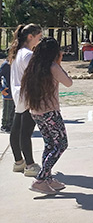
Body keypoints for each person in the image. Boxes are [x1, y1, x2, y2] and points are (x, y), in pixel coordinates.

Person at [21, 37, 73, 195]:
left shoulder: (33, 66)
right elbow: (68, 82)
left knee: (50, 144)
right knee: (61, 144)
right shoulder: (52, 67)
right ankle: (41, 179)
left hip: (36, 111)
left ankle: (48, 179)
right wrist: (59, 63)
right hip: (50, 112)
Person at [9, 23, 43, 177]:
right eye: (38, 37)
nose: (39, 40)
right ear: (30, 36)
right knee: (26, 132)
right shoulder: (28, 55)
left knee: (16, 129)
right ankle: (29, 164)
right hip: (28, 94)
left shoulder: (17, 53)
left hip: (18, 95)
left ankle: (18, 161)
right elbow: (34, 76)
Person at [0, 59, 14, 133]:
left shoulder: (17, 63)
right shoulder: (6, 65)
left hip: (16, 92)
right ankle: (5, 126)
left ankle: (12, 126)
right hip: (7, 92)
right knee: (7, 112)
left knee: (14, 112)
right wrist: (2, 89)